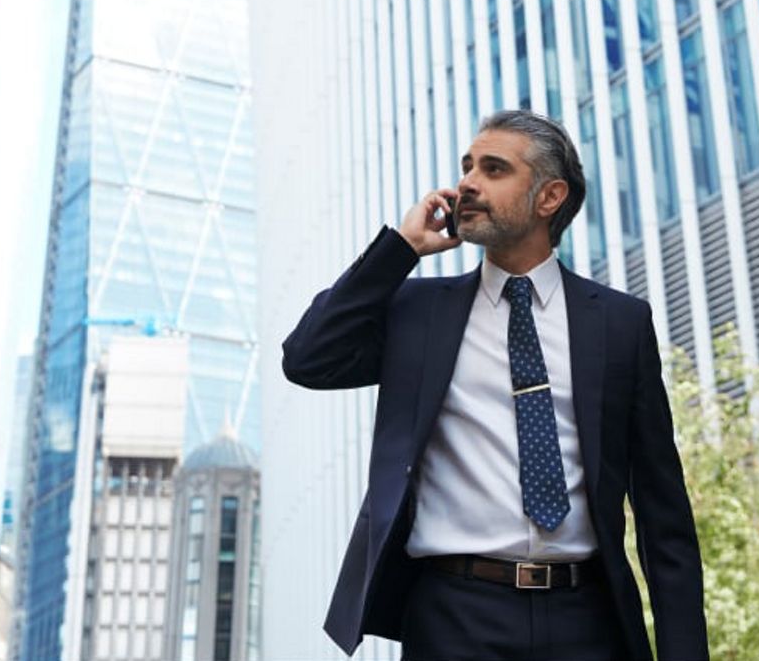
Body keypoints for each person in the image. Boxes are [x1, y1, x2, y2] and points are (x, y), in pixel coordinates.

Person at [283, 110, 708, 660]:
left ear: (548, 197)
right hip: (453, 616)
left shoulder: (620, 324)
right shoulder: (418, 313)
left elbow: (662, 514)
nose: (467, 183)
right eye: (466, 167)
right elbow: (308, 359)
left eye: (493, 169)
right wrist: (399, 250)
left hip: (588, 618)